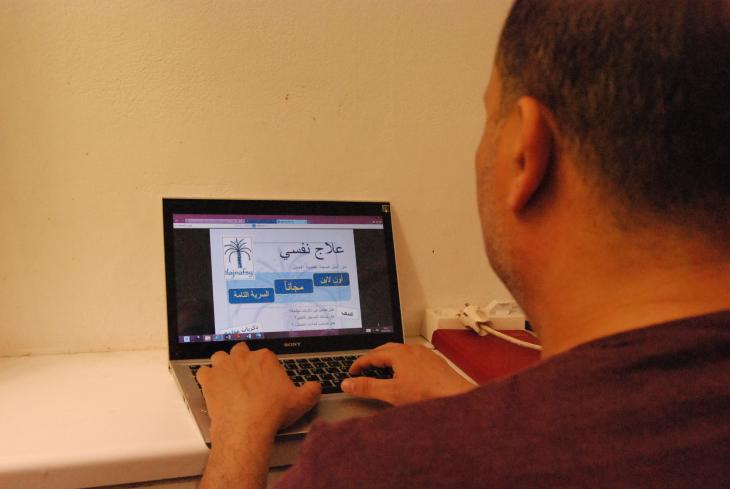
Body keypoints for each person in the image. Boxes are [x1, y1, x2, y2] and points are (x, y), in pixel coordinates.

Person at [195, 0, 730, 487]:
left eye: (488, 116)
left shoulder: (376, 468)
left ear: (526, 151)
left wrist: (241, 430)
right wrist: (472, 404)